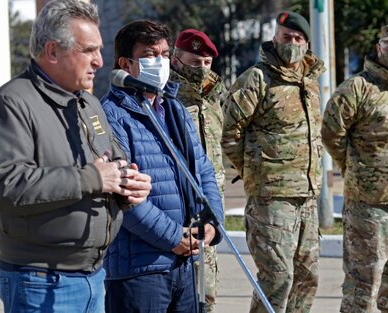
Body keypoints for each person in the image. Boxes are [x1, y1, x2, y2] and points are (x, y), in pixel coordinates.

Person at [0, 0, 152, 312]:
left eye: (99, 50)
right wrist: (93, 178)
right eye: (89, 50)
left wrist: (128, 185)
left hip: (94, 277)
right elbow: (7, 187)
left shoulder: (87, 103)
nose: (99, 61)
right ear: (53, 51)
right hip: (41, 281)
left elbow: (113, 161)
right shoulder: (12, 104)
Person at [100, 20, 224, 312]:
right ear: (125, 64)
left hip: (184, 264)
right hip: (140, 269)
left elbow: (202, 171)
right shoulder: (111, 116)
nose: (161, 62)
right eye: (149, 55)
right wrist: (172, 238)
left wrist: (211, 223)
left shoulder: (174, 108)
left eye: (165, 54)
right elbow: (123, 197)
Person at [221, 11, 325, 313]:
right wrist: (255, 171)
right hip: (270, 198)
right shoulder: (256, 79)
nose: (291, 43)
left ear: (306, 44)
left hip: (306, 196)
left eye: (297, 39)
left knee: (307, 277)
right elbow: (231, 133)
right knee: (278, 278)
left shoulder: (311, 83)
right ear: (274, 38)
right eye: (285, 37)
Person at [322, 25, 388, 312]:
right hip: (369, 204)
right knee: (363, 279)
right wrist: (355, 167)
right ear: (379, 48)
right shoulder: (357, 87)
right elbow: (331, 133)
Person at [169, 28, 225, 313]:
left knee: (208, 295)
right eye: (195, 62)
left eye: (206, 63)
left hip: (209, 214)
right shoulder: (166, 100)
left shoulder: (214, 100)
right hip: (178, 216)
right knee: (182, 298)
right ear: (176, 60)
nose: (202, 69)